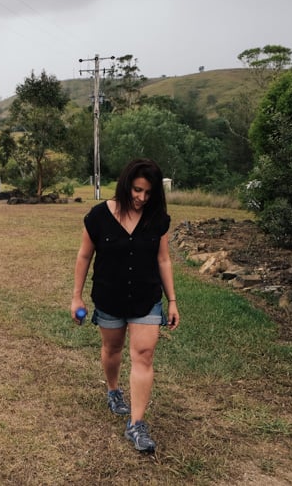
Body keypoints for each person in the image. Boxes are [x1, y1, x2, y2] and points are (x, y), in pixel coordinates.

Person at [70, 158, 179, 453]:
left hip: (146, 298)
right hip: (109, 297)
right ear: (126, 184)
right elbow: (84, 257)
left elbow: (163, 259)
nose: (142, 198)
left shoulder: (158, 219)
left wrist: (172, 300)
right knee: (112, 350)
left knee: (143, 355)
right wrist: (77, 296)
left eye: (148, 193)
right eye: (137, 190)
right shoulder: (97, 217)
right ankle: (113, 390)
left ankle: (137, 424)